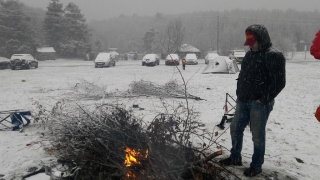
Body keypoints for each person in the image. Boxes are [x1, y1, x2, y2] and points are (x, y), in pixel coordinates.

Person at [219, 24, 286, 177]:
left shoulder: (274, 55)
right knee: (235, 129)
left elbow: (279, 82)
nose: (251, 46)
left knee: (257, 136)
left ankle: (256, 166)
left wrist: (263, 99)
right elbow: (243, 75)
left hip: (259, 104)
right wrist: (239, 92)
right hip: (243, 100)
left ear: (261, 40)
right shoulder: (250, 55)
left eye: (253, 43)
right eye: (249, 43)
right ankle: (235, 157)